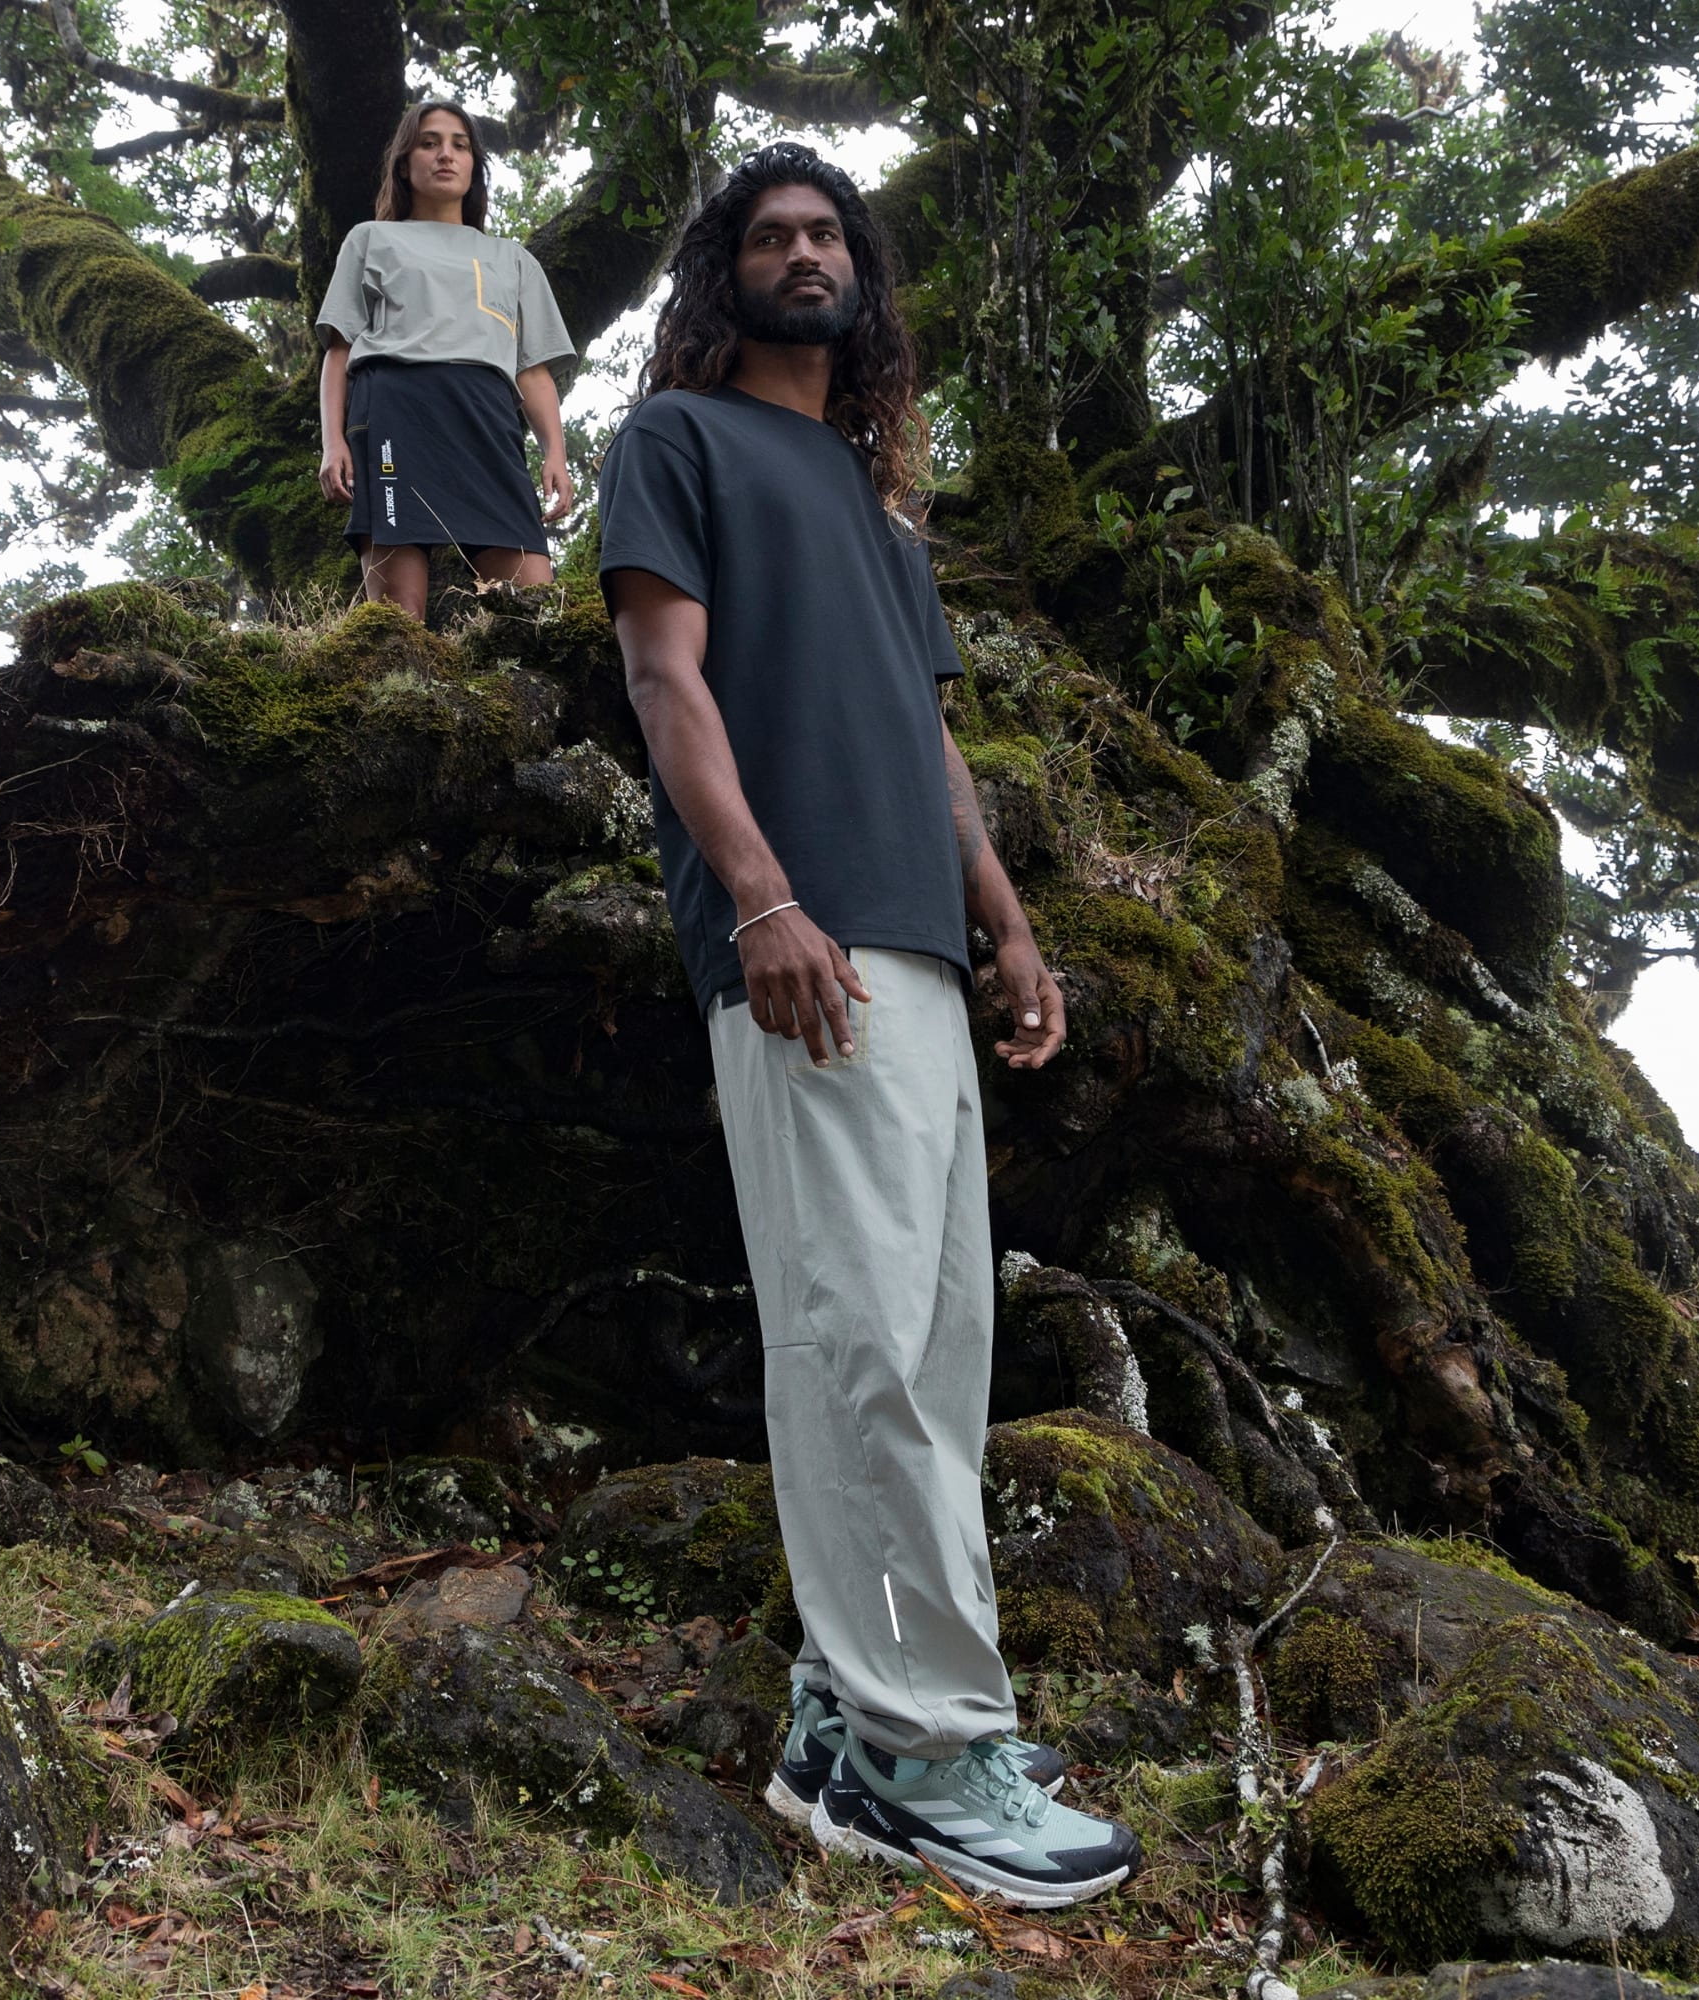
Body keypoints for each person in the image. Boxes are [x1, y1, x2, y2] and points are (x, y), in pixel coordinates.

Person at [597, 142, 1141, 1910]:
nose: (803, 252)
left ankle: (847, 1724)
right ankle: (925, 1752)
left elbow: (931, 740)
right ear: (727, 276)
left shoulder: (877, 503)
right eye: (770, 236)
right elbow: (665, 676)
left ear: (864, 276)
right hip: (799, 942)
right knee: (865, 1342)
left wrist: (1012, 926)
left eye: (827, 232)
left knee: (940, 1341)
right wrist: (760, 898)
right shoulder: (678, 442)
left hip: (916, 947)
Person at [316, 98, 574, 619]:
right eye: (429, 143)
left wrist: (555, 453)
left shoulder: (513, 259)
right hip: (395, 410)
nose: (445, 155)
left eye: (459, 145)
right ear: (403, 164)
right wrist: (332, 441)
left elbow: (532, 369)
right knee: (397, 619)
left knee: (534, 610)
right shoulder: (371, 239)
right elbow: (339, 349)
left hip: (487, 417)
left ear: (474, 165)